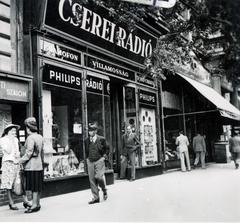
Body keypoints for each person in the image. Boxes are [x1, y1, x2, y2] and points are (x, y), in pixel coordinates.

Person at [0, 124, 31, 210]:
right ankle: (11, 202)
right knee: (9, 183)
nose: (15, 132)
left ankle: (25, 201)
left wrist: (19, 157)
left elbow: (17, 152)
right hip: (8, 163)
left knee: (20, 182)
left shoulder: (16, 139)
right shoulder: (2, 140)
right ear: (8, 131)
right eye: (13, 131)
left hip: (16, 163)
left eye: (15, 130)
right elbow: (8, 150)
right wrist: (10, 140)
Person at [19, 117, 44, 213]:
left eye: (26, 127)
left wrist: (20, 160)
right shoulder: (40, 137)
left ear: (28, 128)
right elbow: (41, 152)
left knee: (33, 186)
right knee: (37, 186)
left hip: (31, 166)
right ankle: (37, 204)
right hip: (39, 165)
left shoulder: (30, 138)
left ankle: (33, 205)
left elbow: (29, 153)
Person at [85, 122, 110, 204]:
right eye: (89, 131)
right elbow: (86, 151)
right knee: (92, 180)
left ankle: (104, 189)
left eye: (91, 131)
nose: (90, 132)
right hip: (90, 161)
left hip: (99, 160)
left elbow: (107, 149)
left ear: (95, 131)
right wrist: (87, 159)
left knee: (99, 177)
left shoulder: (101, 139)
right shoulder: (86, 140)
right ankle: (96, 197)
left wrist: (104, 157)